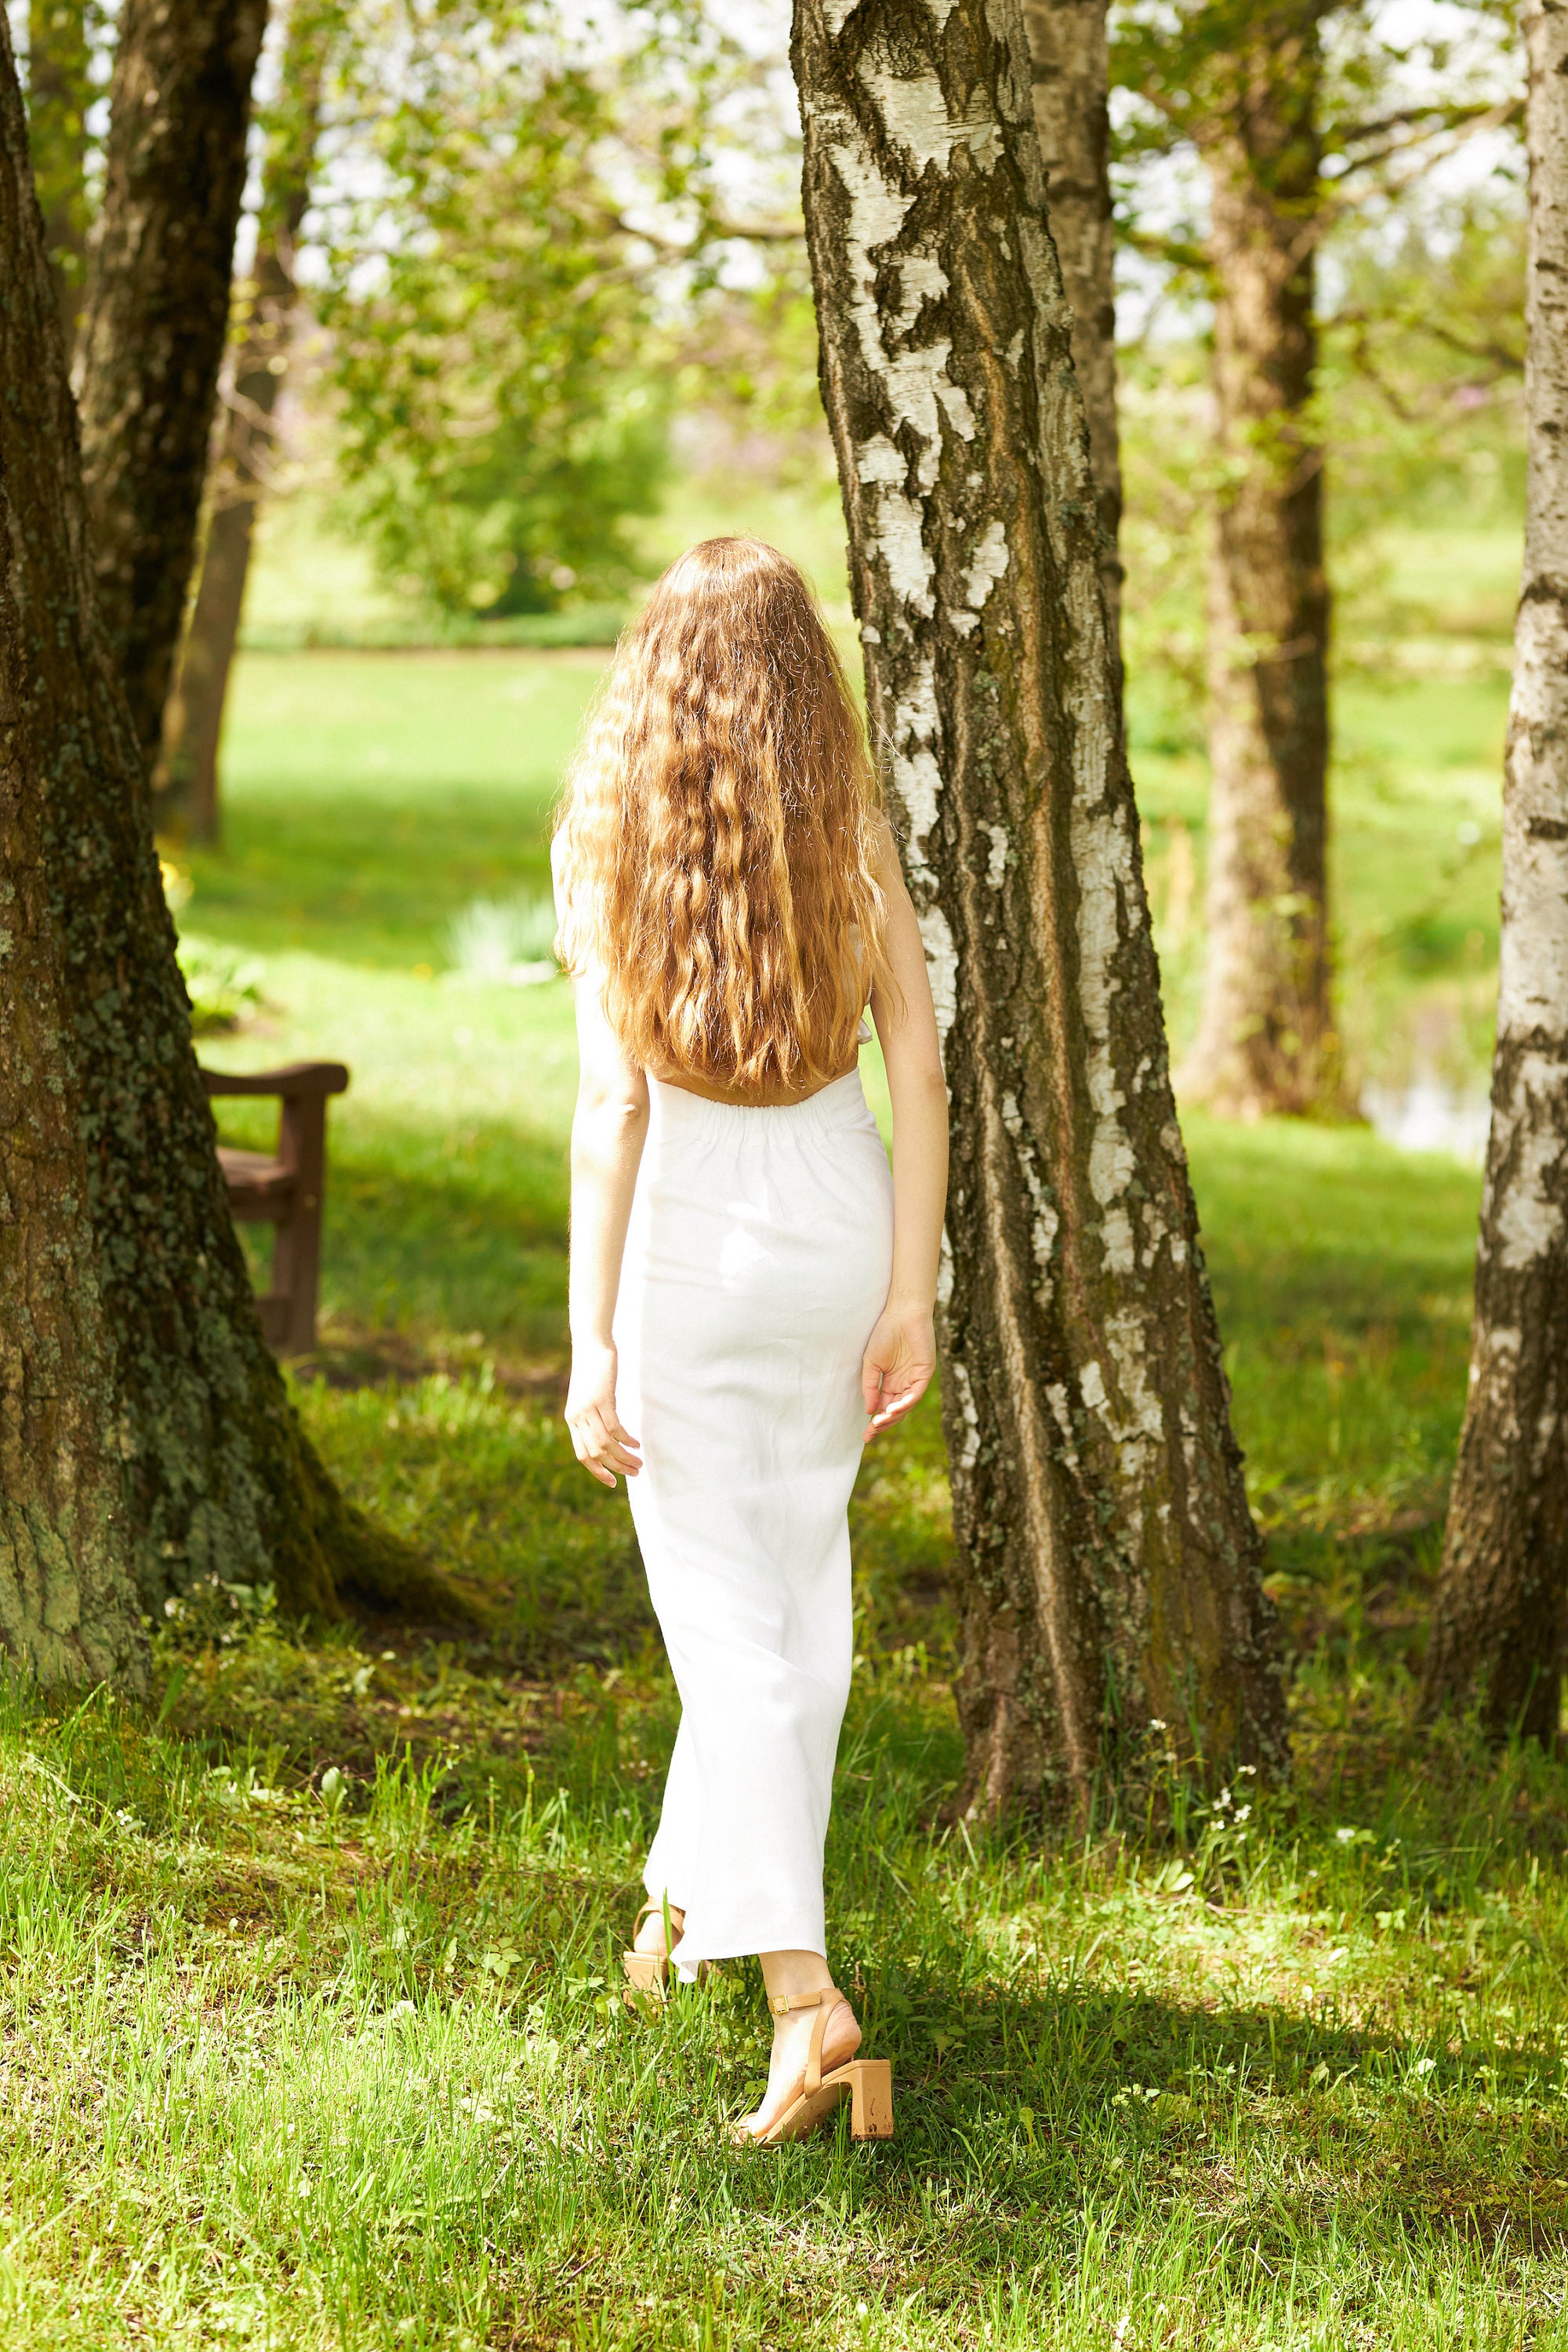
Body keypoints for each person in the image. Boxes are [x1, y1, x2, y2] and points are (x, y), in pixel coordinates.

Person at [551, 536, 948, 2147]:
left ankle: (803, 1996)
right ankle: (673, 1914)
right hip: (838, 1207)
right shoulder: (847, 826)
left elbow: (609, 1109)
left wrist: (588, 1342)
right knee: (793, 1590)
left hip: (696, 1239)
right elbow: (918, 1060)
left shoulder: (603, 837)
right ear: (804, 678)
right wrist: (911, 1284)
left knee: (728, 1623)